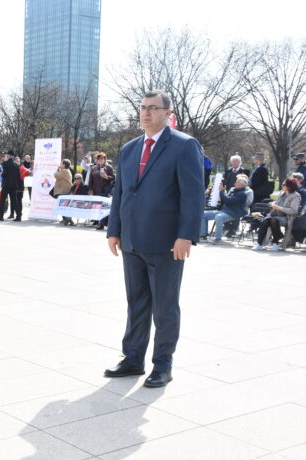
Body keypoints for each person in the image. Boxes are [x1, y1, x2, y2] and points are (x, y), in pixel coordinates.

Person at [106, 90, 204, 388]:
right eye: (142, 108)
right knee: (136, 303)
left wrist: (186, 235)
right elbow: (120, 193)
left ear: (167, 113)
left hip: (166, 243)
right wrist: (114, 230)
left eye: (152, 108)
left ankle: (162, 365)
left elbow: (193, 195)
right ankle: (133, 359)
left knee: (164, 307)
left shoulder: (184, 145)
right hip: (131, 241)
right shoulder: (129, 149)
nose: (146, 113)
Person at [253, 177, 301, 251]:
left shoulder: (296, 196)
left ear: (289, 186)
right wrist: (272, 204)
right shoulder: (282, 193)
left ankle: (275, 243)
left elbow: (293, 210)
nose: (282, 186)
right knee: (265, 220)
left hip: (288, 217)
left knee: (274, 220)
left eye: (283, 185)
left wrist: (279, 208)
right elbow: (277, 202)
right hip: (276, 214)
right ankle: (259, 244)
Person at [200, 177, 250, 244]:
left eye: (236, 182)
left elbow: (227, 201)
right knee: (203, 214)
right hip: (224, 211)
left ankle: (218, 239)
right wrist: (221, 191)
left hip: (233, 214)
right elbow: (226, 200)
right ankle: (203, 236)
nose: (234, 183)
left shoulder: (243, 194)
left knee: (219, 217)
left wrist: (221, 191)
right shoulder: (234, 191)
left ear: (241, 185)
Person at [0, 151, 21, 222]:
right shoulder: (16, 165)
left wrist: (2, 174)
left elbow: (4, 174)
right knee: (14, 201)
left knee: (2, 200)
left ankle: (1, 216)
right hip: (13, 185)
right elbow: (18, 176)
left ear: (8, 156)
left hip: (6, 185)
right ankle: (18, 216)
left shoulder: (4, 163)